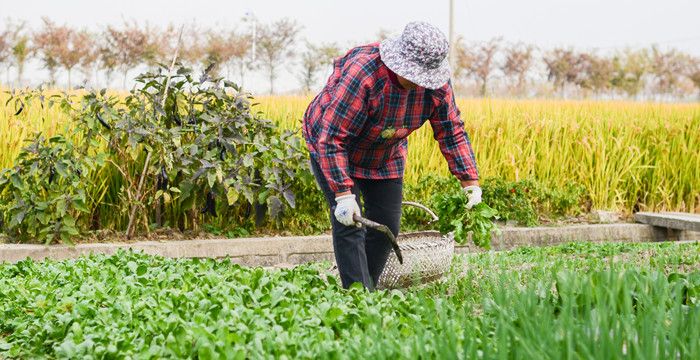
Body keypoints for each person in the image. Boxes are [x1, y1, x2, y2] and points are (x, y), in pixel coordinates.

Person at [302, 21, 481, 290]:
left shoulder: (436, 87)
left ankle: (367, 288)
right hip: (335, 147)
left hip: (385, 153)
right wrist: (343, 194)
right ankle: (357, 298)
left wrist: (470, 182)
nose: (420, 82)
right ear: (399, 62)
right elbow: (332, 138)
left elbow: (451, 130)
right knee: (350, 222)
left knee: (387, 225)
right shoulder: (364, 74)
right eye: (415, 75)